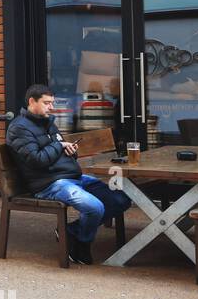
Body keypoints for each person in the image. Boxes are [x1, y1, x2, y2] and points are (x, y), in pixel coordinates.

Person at [7, 83, 131, 265]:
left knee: (120, 199)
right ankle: (82, 243)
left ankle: (71, 231)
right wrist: (59, 146)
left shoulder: (48, 122)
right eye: (47, 103)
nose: (51, 107)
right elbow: (37, 160)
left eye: (52, 103)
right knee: (94, 207)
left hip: (73, 178)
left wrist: (70, 150)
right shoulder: (19, 128)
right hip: (48, 184)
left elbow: (59, 149)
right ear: (32, 101)